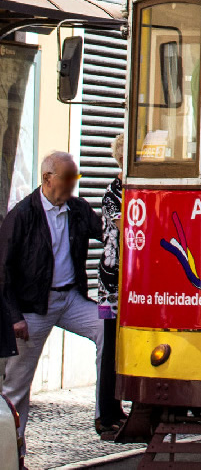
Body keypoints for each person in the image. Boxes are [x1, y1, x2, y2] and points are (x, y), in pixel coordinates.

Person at [0, 152, 104, 458]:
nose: (73, 185)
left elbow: (106, 235)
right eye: (68, 179)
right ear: (48, 179)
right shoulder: (22, 215)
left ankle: (105, 414)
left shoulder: (77, 208)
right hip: (32, 307)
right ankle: (12, 453)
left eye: (76, 179)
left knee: (106, 327)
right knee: (17, 385)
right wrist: (14, 316)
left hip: (70, 299)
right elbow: (2, 270)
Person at [97, 135, 128, 435]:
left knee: (121, 345)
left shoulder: (130, 189)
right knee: (109, 344)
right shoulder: (113, 192)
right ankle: (106, 412)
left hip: (128, 281)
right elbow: (125, 225)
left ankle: (117, 406)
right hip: (111, 285)